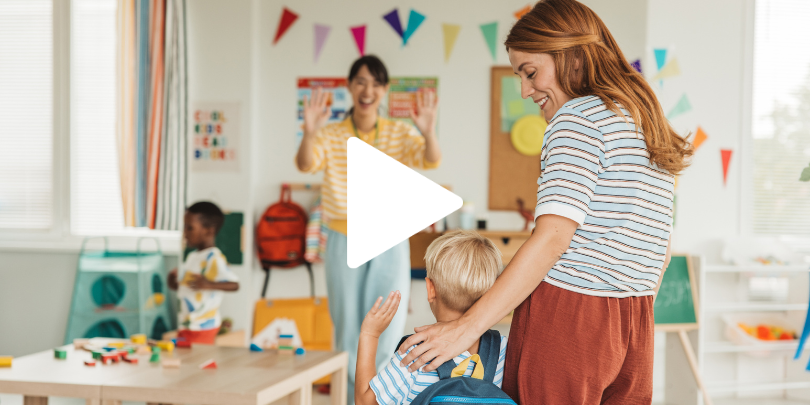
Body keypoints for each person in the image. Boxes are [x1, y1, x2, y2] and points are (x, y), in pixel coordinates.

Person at [396, 1, 694, 404]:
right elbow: (662, 243)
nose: (525, 90)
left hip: (569, 316)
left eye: (530, 73)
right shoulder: (643, 120)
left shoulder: (576, 119)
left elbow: (552, 238)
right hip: (636, 318)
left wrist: (465, 328)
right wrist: (626, 312)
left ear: (571, 56)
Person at [296, 55, 441, 403]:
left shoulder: (398, 132)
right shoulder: (331, 134)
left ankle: (382, 398)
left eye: (376, 83)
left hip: (389, 238)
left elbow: (430, 159)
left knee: (387, 325)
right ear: (349, 87)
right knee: (348, 327)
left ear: (385, 90)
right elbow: (305, 163)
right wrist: (309, 131)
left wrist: (428, 130)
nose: (368, 90)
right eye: (361, 81)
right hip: (343, 236)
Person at [354, 231, 506, 405]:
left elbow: (364, 402)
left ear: (430, 289)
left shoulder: (417, 354)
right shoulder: (502, 349)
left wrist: (370, 335)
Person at [168, 201, 239, 345]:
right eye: (184, 227)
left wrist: (208, 284)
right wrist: (174, 283)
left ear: (209, 230)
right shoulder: (192, 257)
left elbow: (235, 285)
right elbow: (188, 288)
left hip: (202, 327)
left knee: (195, 363)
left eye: (190, 228)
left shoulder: (213, 258)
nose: (185, 232)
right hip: (187, 324)